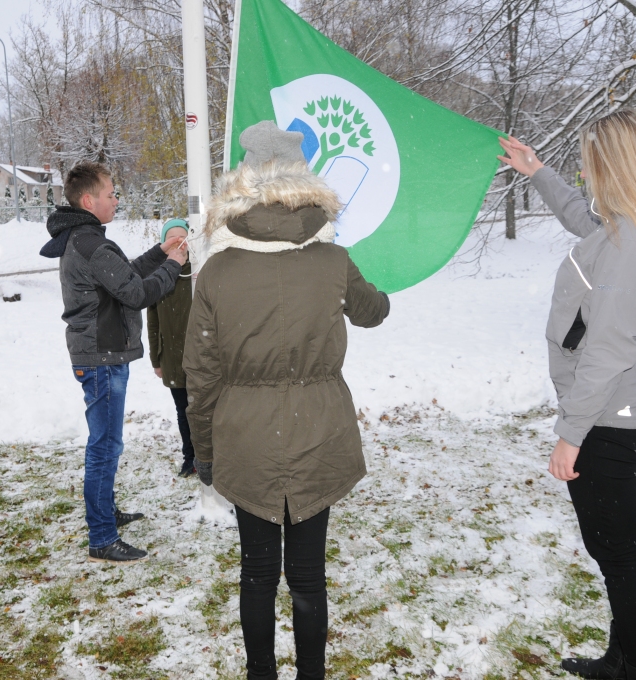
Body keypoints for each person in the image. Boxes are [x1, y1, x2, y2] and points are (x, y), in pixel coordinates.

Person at [183, 121, 390, 680]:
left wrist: (206, 453)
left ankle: (261, 675)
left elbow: (199, 375)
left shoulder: (218, 271)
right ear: (306, 186)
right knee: (307, 574)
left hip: (245, 440)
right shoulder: (332, 261)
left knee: (256, 572)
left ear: (242, 188)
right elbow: (374, 312)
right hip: (318, 433)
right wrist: (366, 287)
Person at [498, 109, 636, 680]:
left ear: (617, 165)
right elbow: (585, 221)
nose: (587, 173)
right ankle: (629, 658)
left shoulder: (633, 241)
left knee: (619, 553)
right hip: (635, 406)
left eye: (592, 162)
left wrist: (570, 436)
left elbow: (609, 352)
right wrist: (537, 171)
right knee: (632, 547)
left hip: (614, 415)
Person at [40, 161, 187, 564]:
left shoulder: (89, 240)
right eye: (111, 193)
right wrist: (175, 264)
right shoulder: (90, 244)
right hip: (101, 359)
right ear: (89, 200)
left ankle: (105, 513)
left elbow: (125, 276)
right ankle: (102, 536)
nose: (117, 200)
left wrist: (161, 251)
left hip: (101, 355)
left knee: (107, 444)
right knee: (105, 446)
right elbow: (138, 294)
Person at [147, 218, 196, 477]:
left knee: (205, 409)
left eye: (183, 236)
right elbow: (153, 322)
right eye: (173, 237)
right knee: (183, 411)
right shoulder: (159, 274)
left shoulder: (200, 271)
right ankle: (190, 457)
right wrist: (157, 359)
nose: (179, 242)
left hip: (201, 357)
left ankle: (208, 457)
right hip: (173, 358)